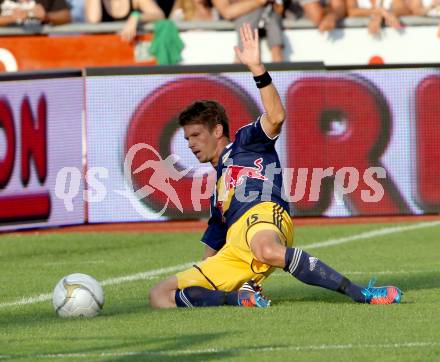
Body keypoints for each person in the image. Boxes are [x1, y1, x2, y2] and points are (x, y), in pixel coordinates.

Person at [149, 22, 403, 309]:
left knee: (267, 249)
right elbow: (213, 246)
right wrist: (208, 279)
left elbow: (277, 115)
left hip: (264, 215)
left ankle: (361, 293)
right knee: (159, 296)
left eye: (196, 135)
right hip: (235, 248)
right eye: (187, 138)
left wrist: (257, 68)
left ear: (217, 131)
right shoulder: (218, 193)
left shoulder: (247, 141)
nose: (190, 143)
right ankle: (239, 298)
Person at [85, 0, 165, 41]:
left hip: (129, 50)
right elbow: (93, 21)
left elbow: (159, 15)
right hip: (103, 53)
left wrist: (136, 17)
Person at [0, 0, 71, 26]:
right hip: (7, 51)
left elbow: (66, 16)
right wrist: (10, 18)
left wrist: (46, 16)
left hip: (37, 50)